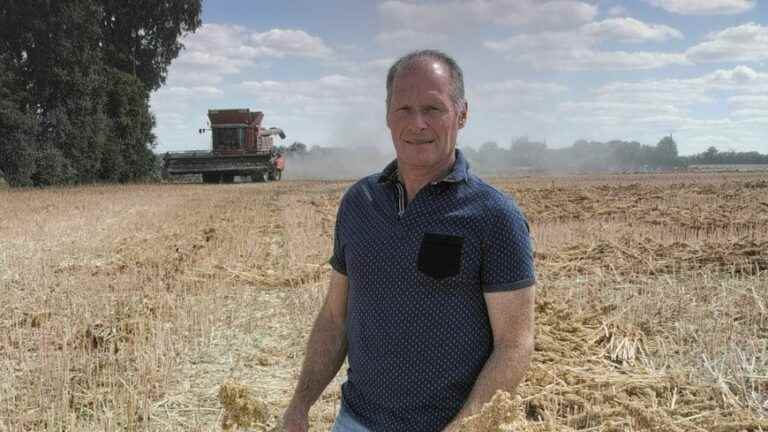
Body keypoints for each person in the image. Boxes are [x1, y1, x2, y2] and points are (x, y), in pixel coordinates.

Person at [281, 49, 536, 432]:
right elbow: (336, 318)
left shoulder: (494, 217)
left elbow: (514, 344)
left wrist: (463, 428)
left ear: (462, 114)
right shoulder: (358, 203)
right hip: (356, 421)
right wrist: (299, 405)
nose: (417, 123)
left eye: (433, 109)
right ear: (387, 116)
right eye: (404, 109)